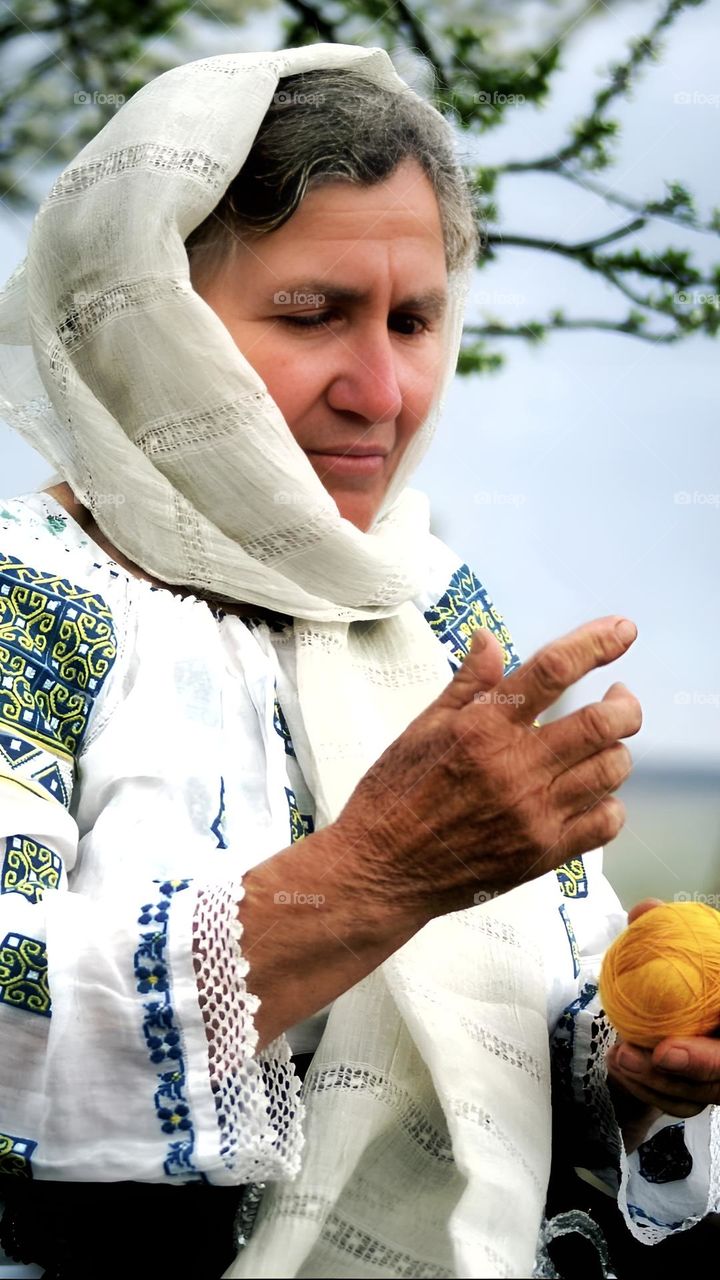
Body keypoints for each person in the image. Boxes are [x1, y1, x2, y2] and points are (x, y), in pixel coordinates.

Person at [0, 42, 717, 1280]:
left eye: (416, 319)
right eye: (313, 312)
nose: (382, 389)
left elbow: (522, 1008)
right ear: (144, 313)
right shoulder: (33, 594)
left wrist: (632, 1061)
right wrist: (374, 875)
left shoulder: (427, 605)